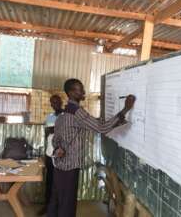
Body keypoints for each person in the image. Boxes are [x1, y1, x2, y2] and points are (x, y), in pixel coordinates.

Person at [47, 78, 135, 217]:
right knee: (67, 205)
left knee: (56, 201)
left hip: (59, 165)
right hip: (70, 167)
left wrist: (58, 148)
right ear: (71, 93)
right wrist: (125, 109)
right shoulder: (77, 112)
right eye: (79, 89)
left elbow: (55, 139)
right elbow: (101, 128)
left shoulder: (64, 113)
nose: (83, 91)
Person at [38, 94, 64, 216]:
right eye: (52, 103)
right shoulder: (49, 117)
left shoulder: (66, 116)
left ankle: (59, 207)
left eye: (56, 102)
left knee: (61, 182)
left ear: (61, 102)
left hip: (62, 155)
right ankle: (48, 206)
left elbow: (65, 132)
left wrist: (53, 129)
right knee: (49, 181)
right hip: (50, 153)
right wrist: (54, 129)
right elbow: (47, 133)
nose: (54, 104)